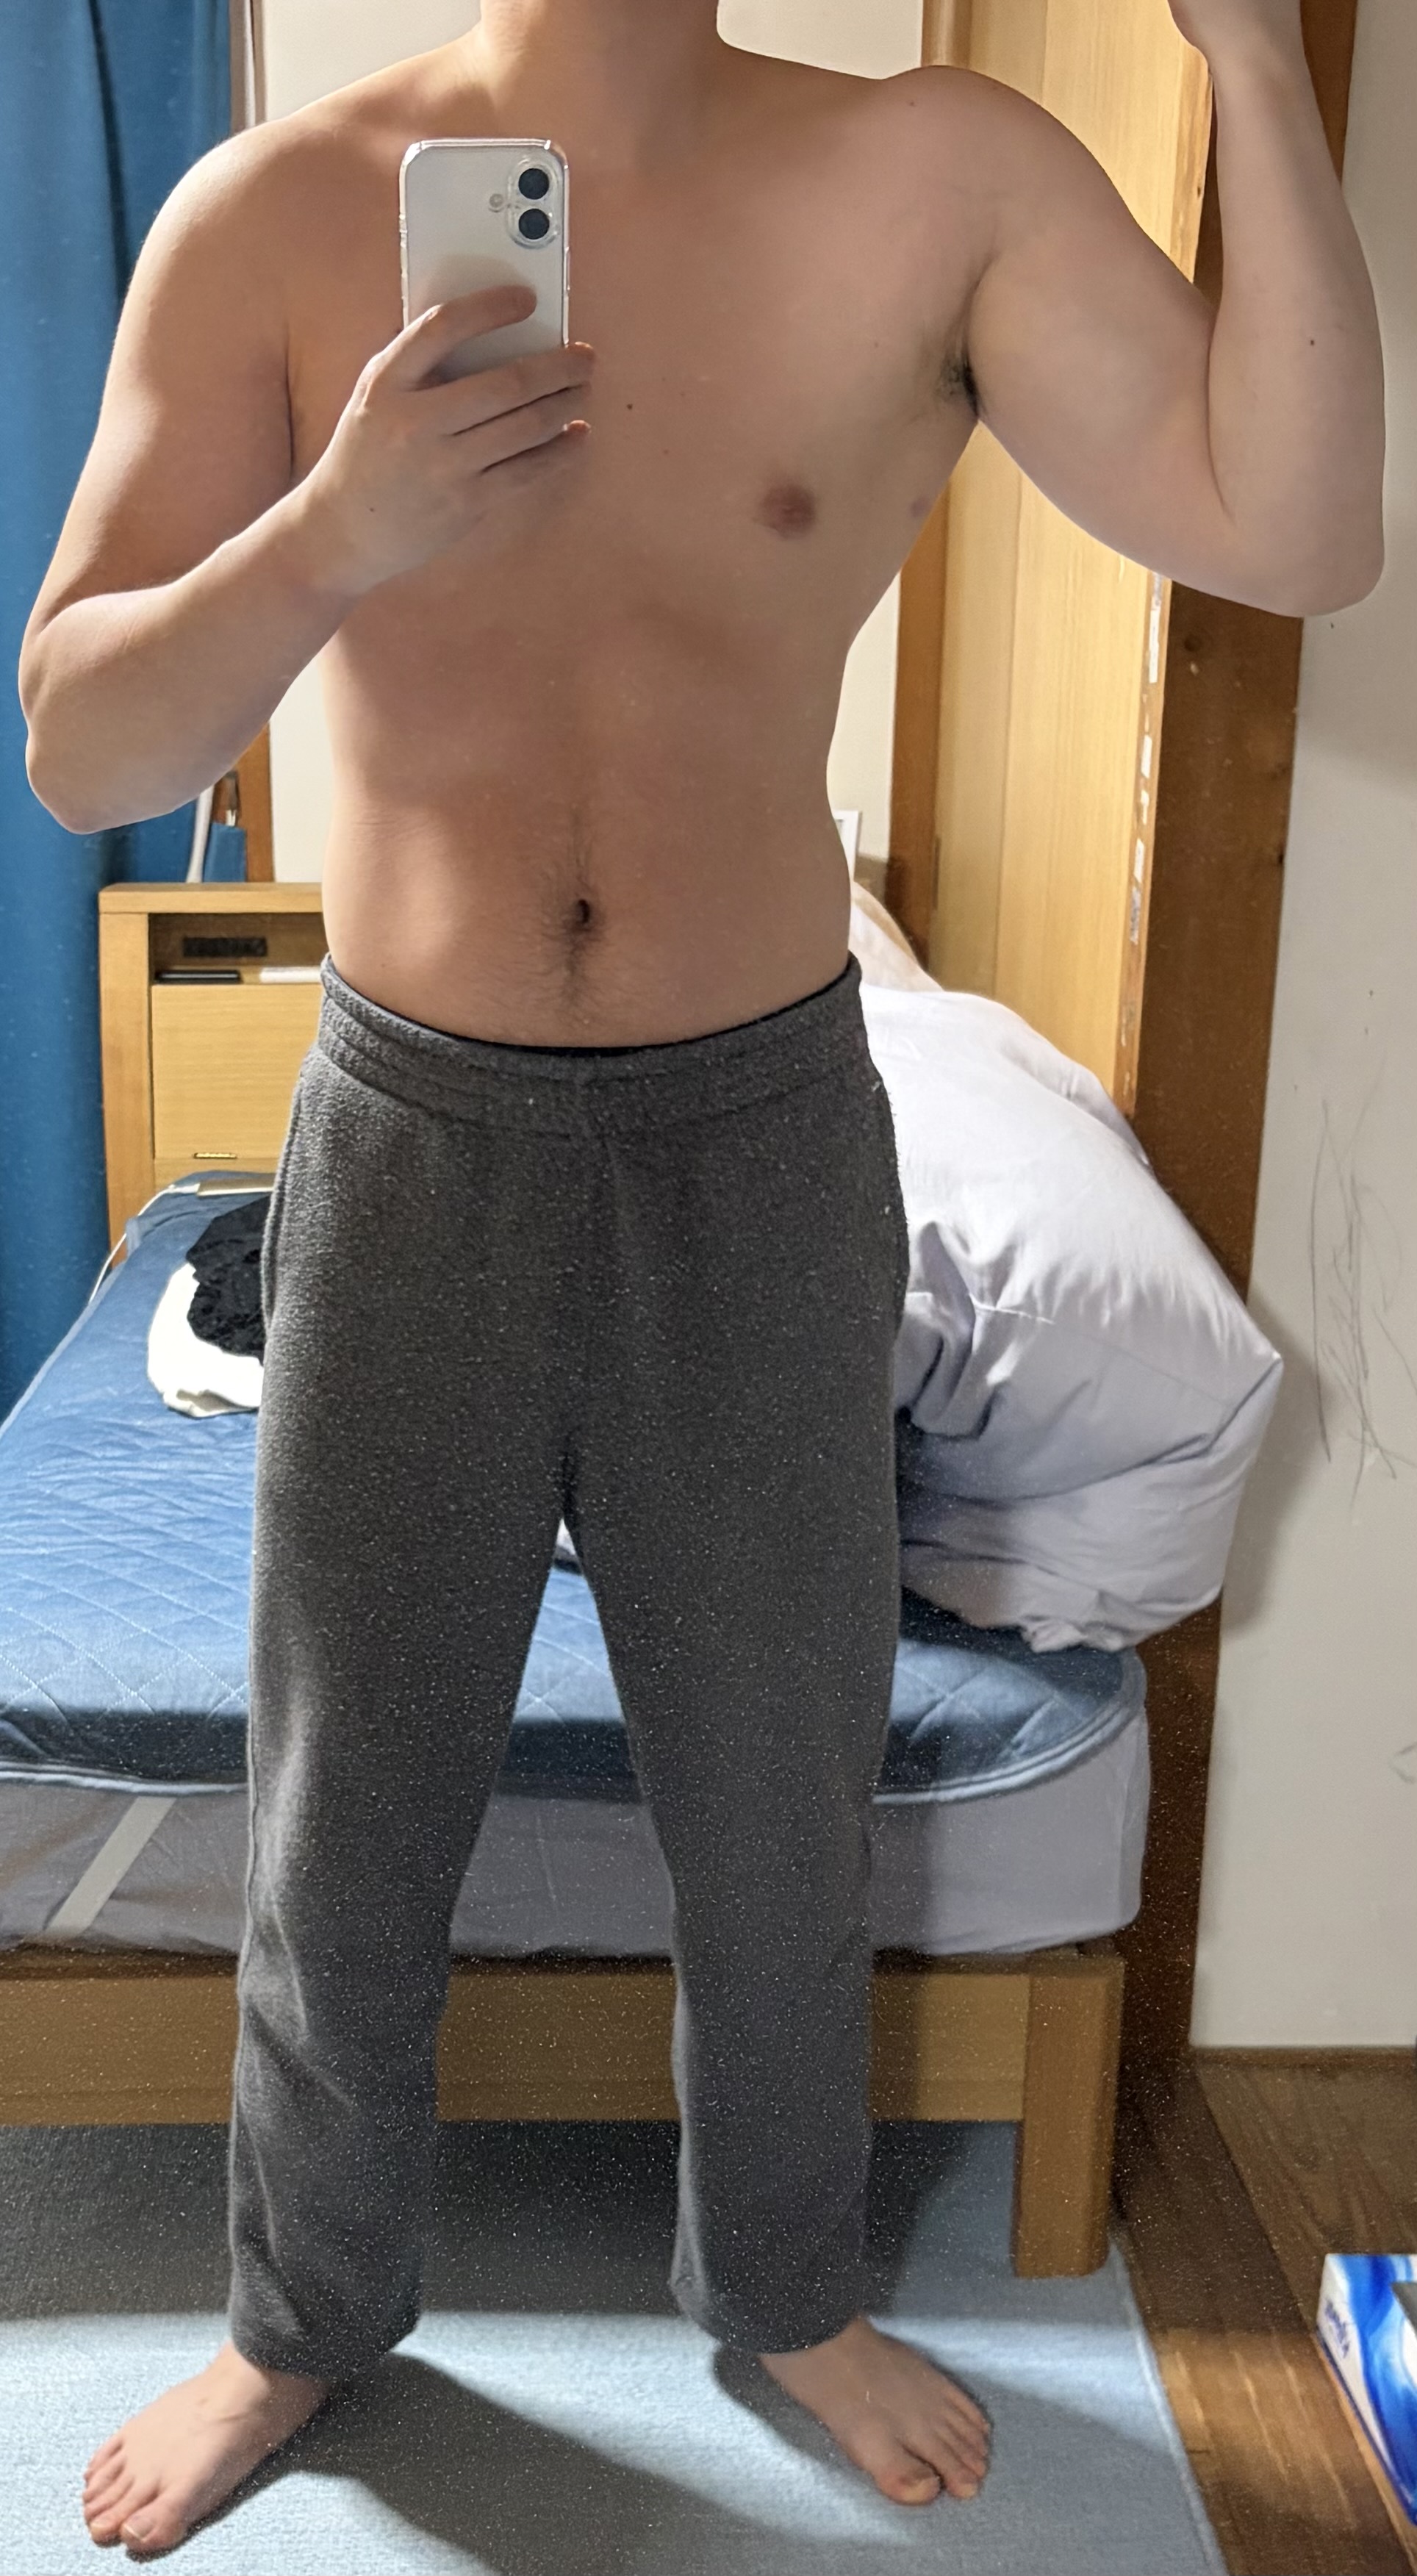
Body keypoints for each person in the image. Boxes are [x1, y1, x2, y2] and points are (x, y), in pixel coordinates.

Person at [20, 0, 1383, 2555]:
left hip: (757, 1135)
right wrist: (332, 532)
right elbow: (81, 743)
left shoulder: (940, 179)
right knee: (350, 1796)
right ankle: (300, 2316)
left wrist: (1262, 74)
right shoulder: (278, 211)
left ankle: (784, 2288)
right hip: (411, 1134)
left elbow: (1294, 533)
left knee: (777, 1785)